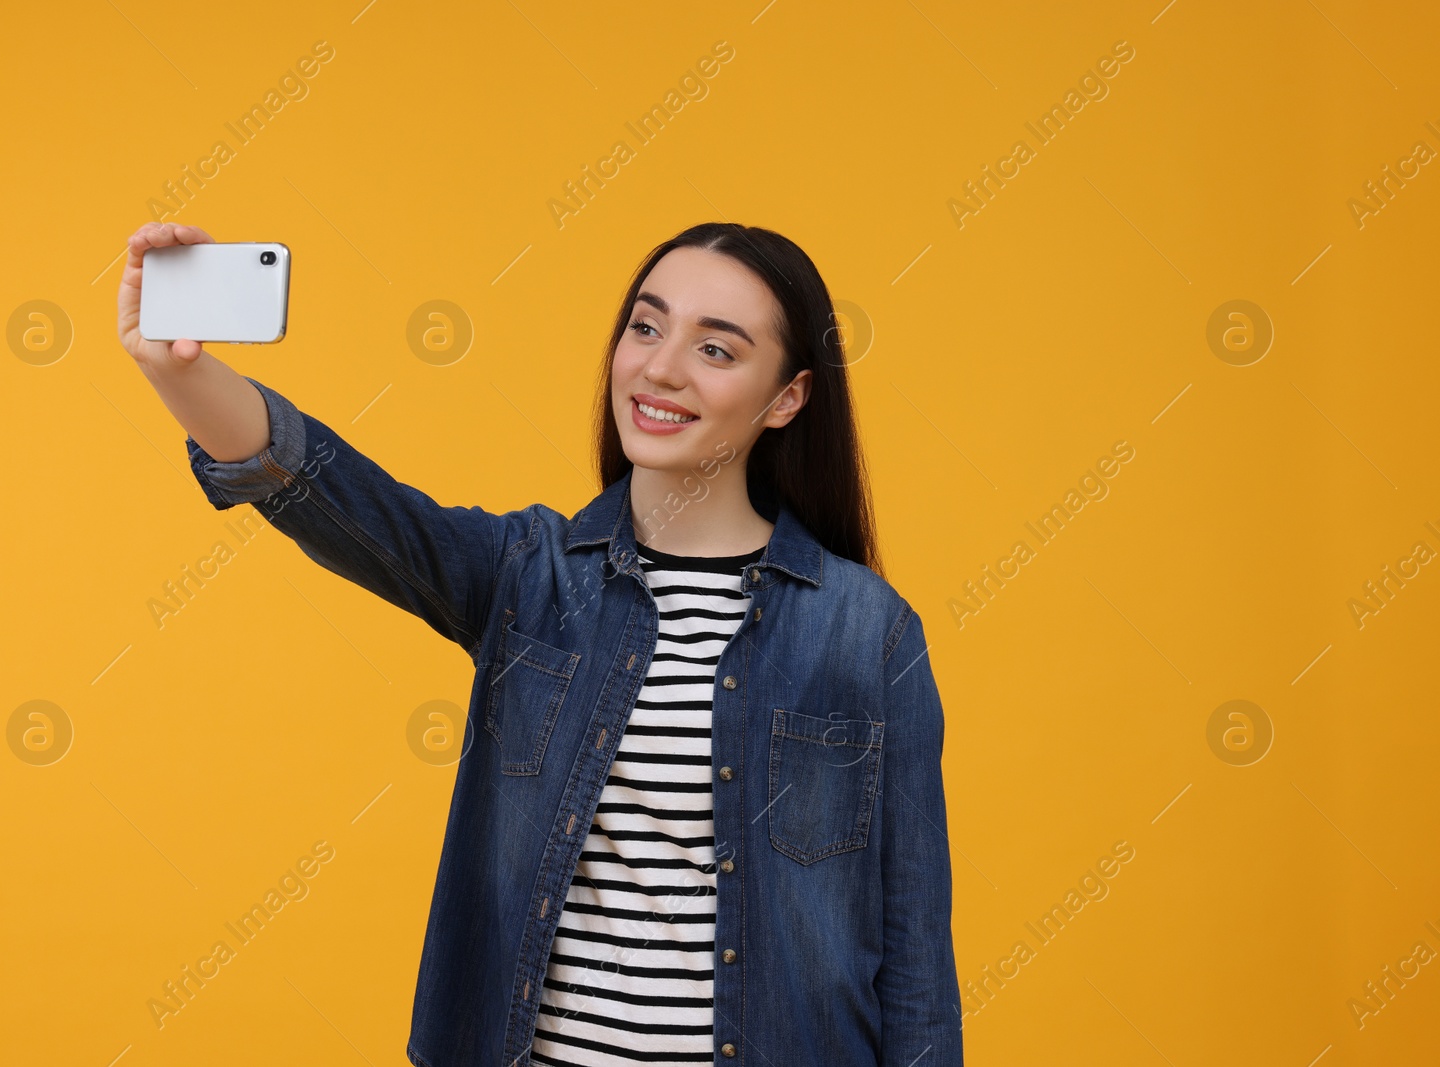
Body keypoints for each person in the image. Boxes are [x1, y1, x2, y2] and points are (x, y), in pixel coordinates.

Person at [117, 219, 963, 1065]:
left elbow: (915, 956)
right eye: (646, 325)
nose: (660, 366)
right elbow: (329, 491)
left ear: (789, 397)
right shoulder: (530, 578)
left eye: (717, 350)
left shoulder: (868, 631)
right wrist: (176, 369)